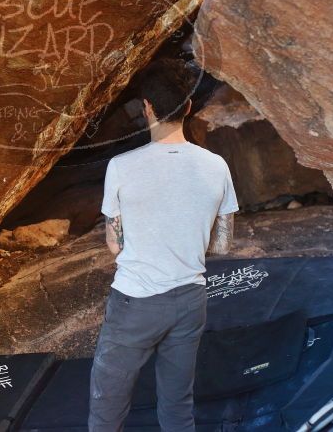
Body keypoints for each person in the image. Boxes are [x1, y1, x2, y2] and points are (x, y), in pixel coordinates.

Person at [88, 59, 239, 432]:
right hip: (190, 298)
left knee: (108, 403)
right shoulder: (216, 165)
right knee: (177, 402)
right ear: (188, 107)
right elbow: (222, 243)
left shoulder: (122, 166)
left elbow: (115, 245)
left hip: (135, 303)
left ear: (147, 108)